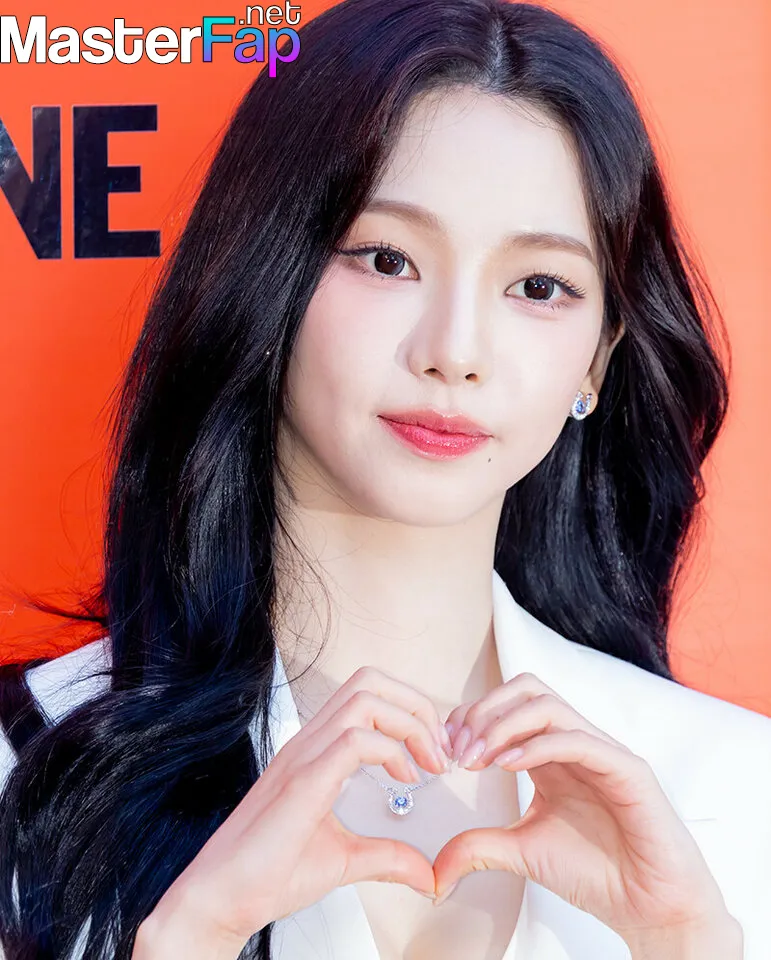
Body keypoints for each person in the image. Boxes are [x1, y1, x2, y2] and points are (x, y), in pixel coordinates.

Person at [1, 0, 769, 958]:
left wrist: (691, 944)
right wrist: (187, 937)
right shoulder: (29, 762)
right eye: (386, 259)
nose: (454, 352)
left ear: (597, 359)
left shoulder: (734, 787)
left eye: (538, 287)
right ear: (266, 277)